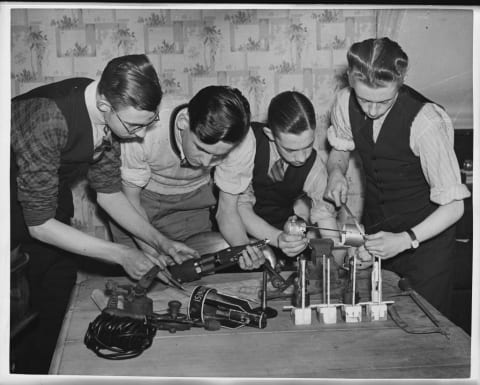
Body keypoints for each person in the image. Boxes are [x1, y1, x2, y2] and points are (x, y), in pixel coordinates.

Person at [10, 54, 197, 373]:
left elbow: (109, 194)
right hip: (12, 216)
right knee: (19, 321)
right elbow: (39, 226)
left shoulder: (110, 116)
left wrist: (160, 242)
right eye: (134, 125)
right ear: (105, 106)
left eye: (148, 124)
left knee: (56, 304)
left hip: (48, 202)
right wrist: (122, 254)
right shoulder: (48, 116)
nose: (139, 135)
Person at [323, 37, 471, 316]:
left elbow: (454, 206)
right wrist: (335, 172)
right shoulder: (344, 101)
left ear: (400, 82)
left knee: (425, 328)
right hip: (379, 235)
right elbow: (339, 149)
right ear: (351, 81)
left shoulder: (427, 122)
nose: (372, 110)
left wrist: (405, 240)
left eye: (384, 101)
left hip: (426, 245)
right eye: (364, 99)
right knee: (379, 324)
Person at [110, 85, 264, 271]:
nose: (207, 163)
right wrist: (154, 255)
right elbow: (130, 202)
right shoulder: (146, 125)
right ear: (183, 122)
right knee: (143, 276)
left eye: (218, 156)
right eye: (202, 149)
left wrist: (243, 250)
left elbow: (227, 211)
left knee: (192, 274)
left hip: (193, 199)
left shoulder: (242, 140)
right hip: (139, 199)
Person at [237, 91, 345, 263]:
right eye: (291, 150)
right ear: (270, 134)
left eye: (308, 146)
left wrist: (337, 265)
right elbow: (239, 208)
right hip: (237, 232)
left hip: (283, 234)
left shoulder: (314, 168)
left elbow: (326, 220)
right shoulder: (247, 143)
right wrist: (277, 238)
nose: (302, 158)